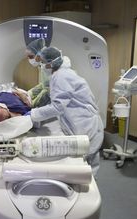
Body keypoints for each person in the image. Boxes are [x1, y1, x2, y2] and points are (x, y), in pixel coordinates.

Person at [27, 46, 104, 175]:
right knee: (88, 162)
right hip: (83, 120)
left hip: (85, 124)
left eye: (44, 63)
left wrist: (33, 114)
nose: (42, 66)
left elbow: (57, 107)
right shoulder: (63, 73)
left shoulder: (61, 76)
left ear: (51, 63)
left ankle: (87, 188)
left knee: (86, 161)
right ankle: (87, 184)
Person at [25, 38, 72, 108]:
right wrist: (27, 94)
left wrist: (30, 103)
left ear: (38, 54)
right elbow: (44, 85)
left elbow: (48, 91)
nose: (29, 59)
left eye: (31, 56)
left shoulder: (55, 70)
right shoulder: (46, 64)